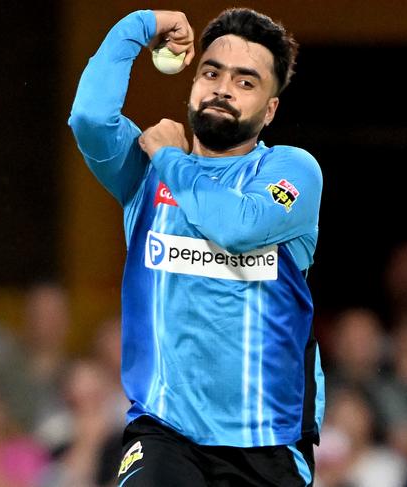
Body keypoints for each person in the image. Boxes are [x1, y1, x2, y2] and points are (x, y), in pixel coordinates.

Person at [69, 7, 324, 486]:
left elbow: (236, 225)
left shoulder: (292, 173)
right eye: (211, 72)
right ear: (192, 84)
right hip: (165, 432)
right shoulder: (146, 174)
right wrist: (139, 26)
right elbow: (88, 118)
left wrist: (168, 156)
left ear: (270, 110)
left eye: (246, 82)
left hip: (266, 442)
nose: (223, 88)